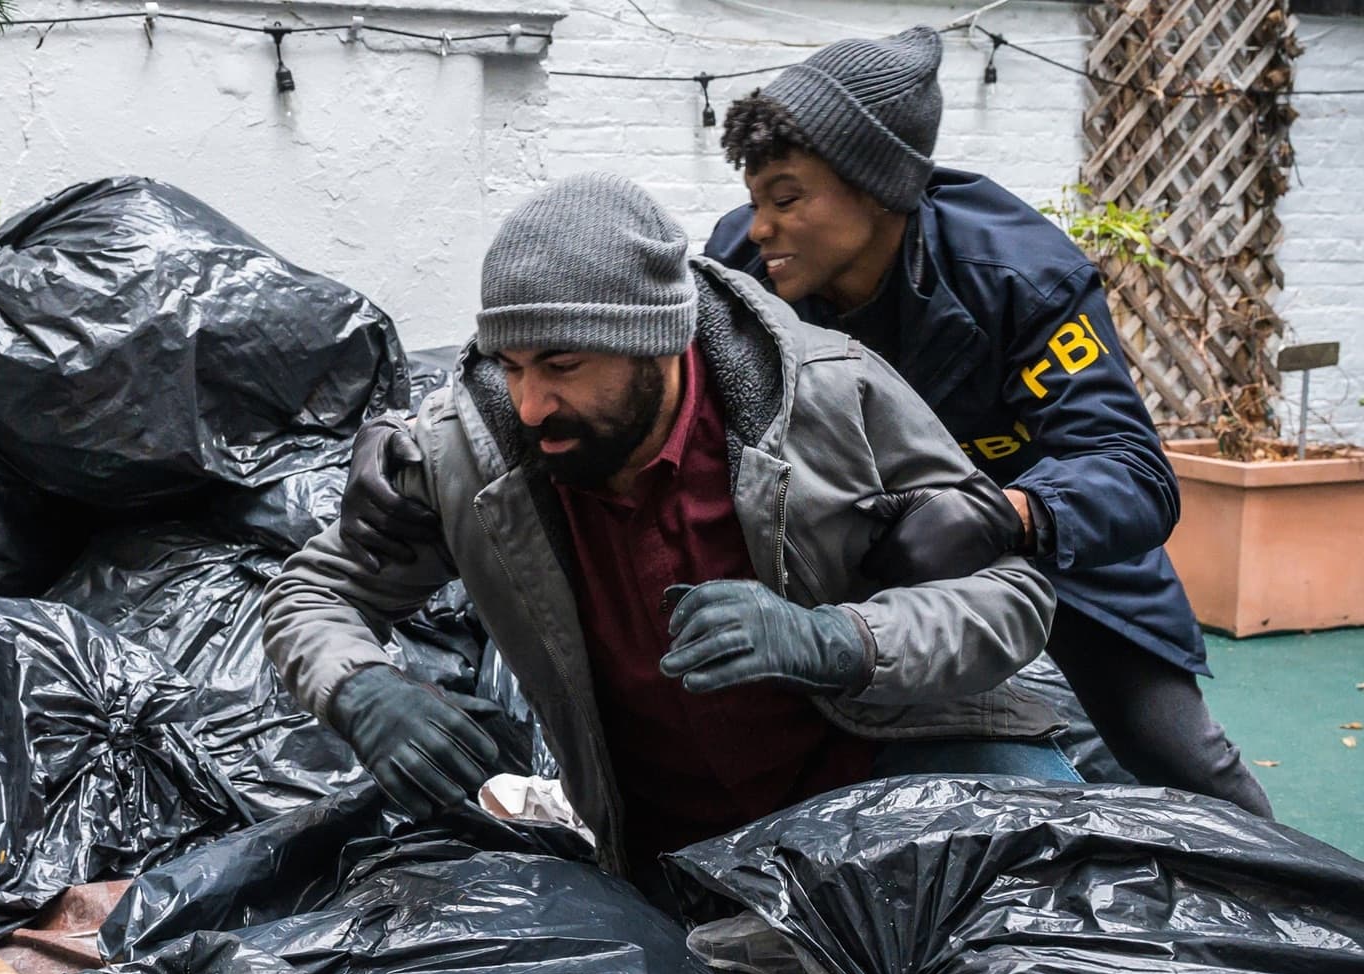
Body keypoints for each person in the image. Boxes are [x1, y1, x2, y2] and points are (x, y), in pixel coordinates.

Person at [336, 27, 1272, 820]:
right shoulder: (743, 270)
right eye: (754, 200)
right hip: (870, 557)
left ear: (879, 188)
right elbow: (607, 325)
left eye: (787, 198)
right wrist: (435, 418)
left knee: (1173, 754)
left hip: (1051, 542)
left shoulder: (1019, 278)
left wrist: (1009, 515)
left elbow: (1132, 470)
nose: (760, 228)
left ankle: (1302, 910)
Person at [263, 173, 1068, 892]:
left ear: (662, 343)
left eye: (563, 365)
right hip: (678, 855)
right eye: (510, 366)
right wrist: (359, 687)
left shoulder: (829, 398)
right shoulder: (467, 457)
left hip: (906, 783)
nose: (531, 405)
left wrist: (839, 640)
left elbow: (1012, 597)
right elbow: (315, 593)